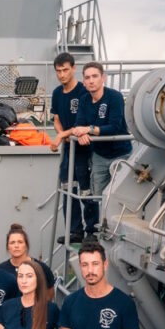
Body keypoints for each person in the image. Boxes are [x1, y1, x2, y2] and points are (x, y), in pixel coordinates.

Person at [72, 62, 132, 231]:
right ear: (83, 81)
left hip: (121, 154)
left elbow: (113, 126)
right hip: (99, 155)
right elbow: (78, 125)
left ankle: (118, 230)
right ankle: (94, 231)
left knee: (120, 194)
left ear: (103, 78)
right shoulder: (84, 100)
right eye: (87, 77)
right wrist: (82, 133)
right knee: (96, 195)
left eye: (95, 76)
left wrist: (88, 130)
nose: (91, 81)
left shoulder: (114, 97)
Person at [48, 52, 94, 242]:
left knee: (86, 190)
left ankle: (92, 230)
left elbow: (83, 124)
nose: (62, 75)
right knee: (68, 188)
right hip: (69, 149)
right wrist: (63, 134)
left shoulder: (83, 92)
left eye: (65, 70)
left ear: (74, 69)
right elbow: (56, 119)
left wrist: (62, 135)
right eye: (58, 71)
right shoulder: (57, 93)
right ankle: (75, 230)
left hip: (83, 149)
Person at [0, 224, 56, 294]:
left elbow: (50, 294)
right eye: (12, 242)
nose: (16, 246)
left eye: (20, 242)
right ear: (8, 247)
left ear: (26, 245)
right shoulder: (1, 269)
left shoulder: (41, 268)